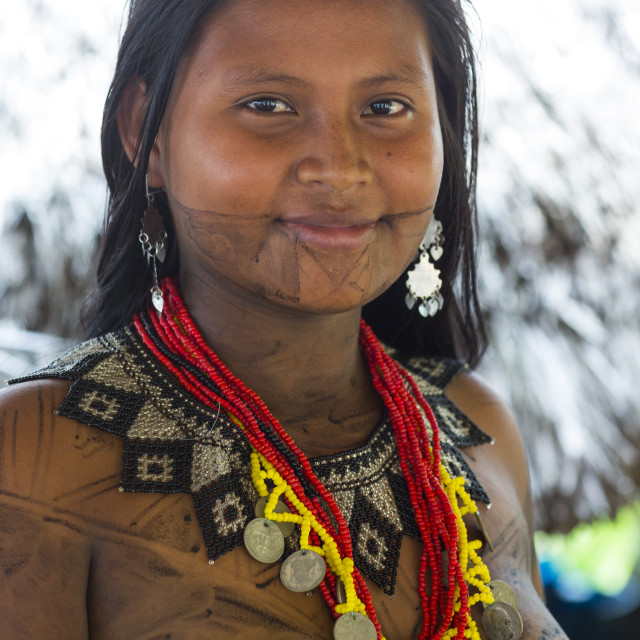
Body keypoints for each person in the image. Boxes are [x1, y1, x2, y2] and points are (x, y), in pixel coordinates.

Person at [0, 0, 569, 638]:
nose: (338, 166)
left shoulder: (480, 427)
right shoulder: (31, 459)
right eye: (268, 105)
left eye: (386, 107)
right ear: (146, 133)